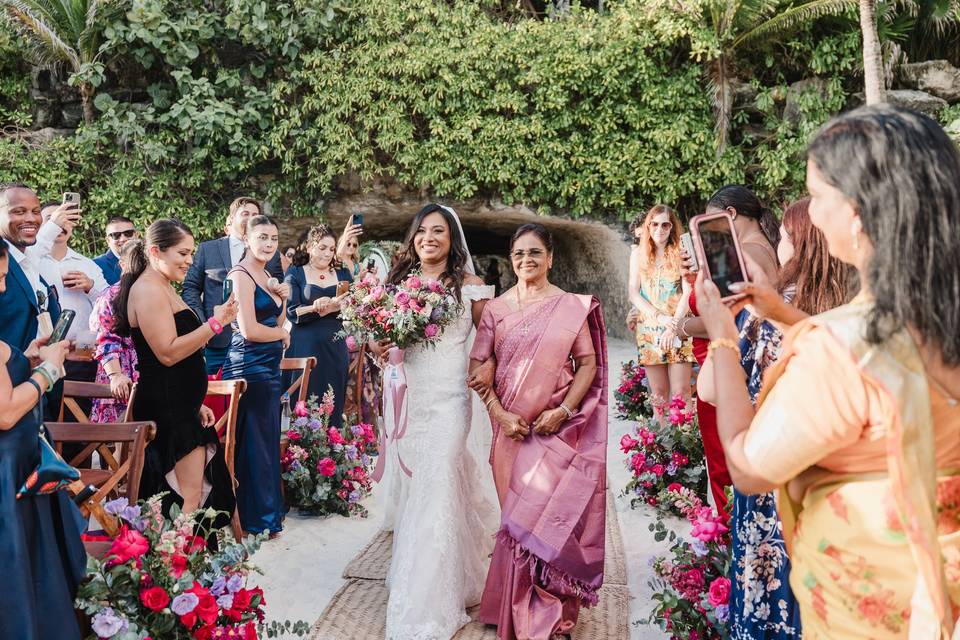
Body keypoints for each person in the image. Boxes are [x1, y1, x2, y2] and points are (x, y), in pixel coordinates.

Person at [697, 105, 960, 638]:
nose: (810, 214)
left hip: (872, 608)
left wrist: (720, 333)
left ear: (858, 212)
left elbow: (749, 468)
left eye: (817, 196)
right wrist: (787, 315)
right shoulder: (932, 319)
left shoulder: (841, 349)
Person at [698, 198, 852, 640]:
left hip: (769, 472)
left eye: (783, 235)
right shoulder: (855, 311)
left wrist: (721, 327)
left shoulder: (760, 315)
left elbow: (708, 391)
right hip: (832, 484)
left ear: (800, 244)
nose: (777, 244)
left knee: (768, 601)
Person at [467, 223, 606, 640]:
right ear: (511, 260)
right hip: (510, 430)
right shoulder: (496, 309)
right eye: (519, 254)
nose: (526, 261)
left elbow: (588, 364)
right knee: (519, 520)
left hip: (554, 429)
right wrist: (500, 413)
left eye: (534, 253)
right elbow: (478, 370)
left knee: (552, 520)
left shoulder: (568, 306)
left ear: (550, 258)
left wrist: (563, 411)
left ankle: (552, 613)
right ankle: (516, 606)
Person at [379, 203, 498, 640]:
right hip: (411, 400)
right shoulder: (398, 285)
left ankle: (430, 599)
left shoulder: (472, 287)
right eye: (422, 231)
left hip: (451, 399)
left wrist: (486, 374)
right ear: (413, 238)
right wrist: (381, 347)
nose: (429, 237)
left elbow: (488, 343)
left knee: (441, 478)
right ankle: (458, 575)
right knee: (420, 488)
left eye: (439, 231)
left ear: (452, 240)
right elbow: (385, 341)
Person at [113, 219, 239, 524]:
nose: (190, 261)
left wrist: (196, 404)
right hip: (168, 408)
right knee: (187, 497)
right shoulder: (147, 291)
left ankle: (178, 564)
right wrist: (215, 324)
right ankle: (174, 566)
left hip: (180, 405)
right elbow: (168, 353)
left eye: (191, 253)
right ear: (156, 251)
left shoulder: (162, 286)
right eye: (182, 253)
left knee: (185, 496)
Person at [0, 239, 86, 640]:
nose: (3, 290)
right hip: (8, 472)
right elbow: (5, 412)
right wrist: (49, 371)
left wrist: (26, 358)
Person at [684, 184, 780, 515]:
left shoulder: (744, 255)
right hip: (758, 361)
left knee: (727, 461)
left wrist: (681, 326)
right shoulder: (769, 248)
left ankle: (726, 537)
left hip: (733, 364)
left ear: (731, 215)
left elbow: (720, 313)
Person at [222, 216, 289, 537]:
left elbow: (278, 322)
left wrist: (285, 299)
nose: (269, 244)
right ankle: (254, 520)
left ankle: (268, 517)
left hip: (270, 367)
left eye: (274, 239)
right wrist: (279, 335)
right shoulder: (242, 275)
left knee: (267, 439)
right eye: (262, 237)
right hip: (249, 366)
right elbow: (248, 329)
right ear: (247, 239)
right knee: (254, 443)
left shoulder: (267, 274)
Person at [182, 197, 282, 375]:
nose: (251, 218)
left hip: (257, 348)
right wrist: (205, 324)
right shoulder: (208, 249)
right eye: (245, 214)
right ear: (231, 218)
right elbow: (190, 288)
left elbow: (276, 293)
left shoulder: (271, 254)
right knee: (215, 399)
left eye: (255, 214)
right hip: (217, 339)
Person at [628, 204, 694, 414]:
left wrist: (672, 325)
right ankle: (662, 444)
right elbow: (633, 292)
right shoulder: (638, 255)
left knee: (681, 391)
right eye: (654, 224)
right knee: (657, 392)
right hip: (649, 329)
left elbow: (688, 290)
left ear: (672, 227)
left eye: (665, 224)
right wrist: (659, 317)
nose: (660, 229)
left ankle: (685, 444)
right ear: (648, 226)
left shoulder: (681, 253)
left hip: (678, 325)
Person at [284, 225, 352, 426]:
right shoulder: (295, 272)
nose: (327, 254)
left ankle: (332, 452)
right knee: (302, 400)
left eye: (331, 249)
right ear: (309, 247)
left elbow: (355, 304)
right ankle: (298, 452)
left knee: (332, 401)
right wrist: (314, 308)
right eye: (322, 248)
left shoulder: (342, 272)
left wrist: (333, 308)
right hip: (304, 346)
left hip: (335, 346)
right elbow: (291, 310)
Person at [38, 202, 109, 393]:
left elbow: (111, 306)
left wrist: (90, 287)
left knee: (79, 415)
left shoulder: (88, 265)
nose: (61, 225)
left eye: (66, 219)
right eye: (53, 219)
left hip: (81, 355)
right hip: (41, 356)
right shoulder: (32, 263)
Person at [0, 185, 74, 351]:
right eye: (19, 211)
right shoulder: (4, 267)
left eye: (36, 211)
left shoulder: (29, 262)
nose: (31, 219)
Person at [89, 240, 141, 423]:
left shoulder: (154, 293)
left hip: (146, 375)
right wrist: (115, 375)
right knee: (117, 445)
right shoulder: (111, 296)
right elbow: (105, 341)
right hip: (120, 374)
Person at [94, 216, 139, 285]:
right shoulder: (96, 265)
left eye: (128, 233)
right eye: (116, 235)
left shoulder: (150, 261)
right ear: (108, 241)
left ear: (136, 235)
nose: (123, 239)